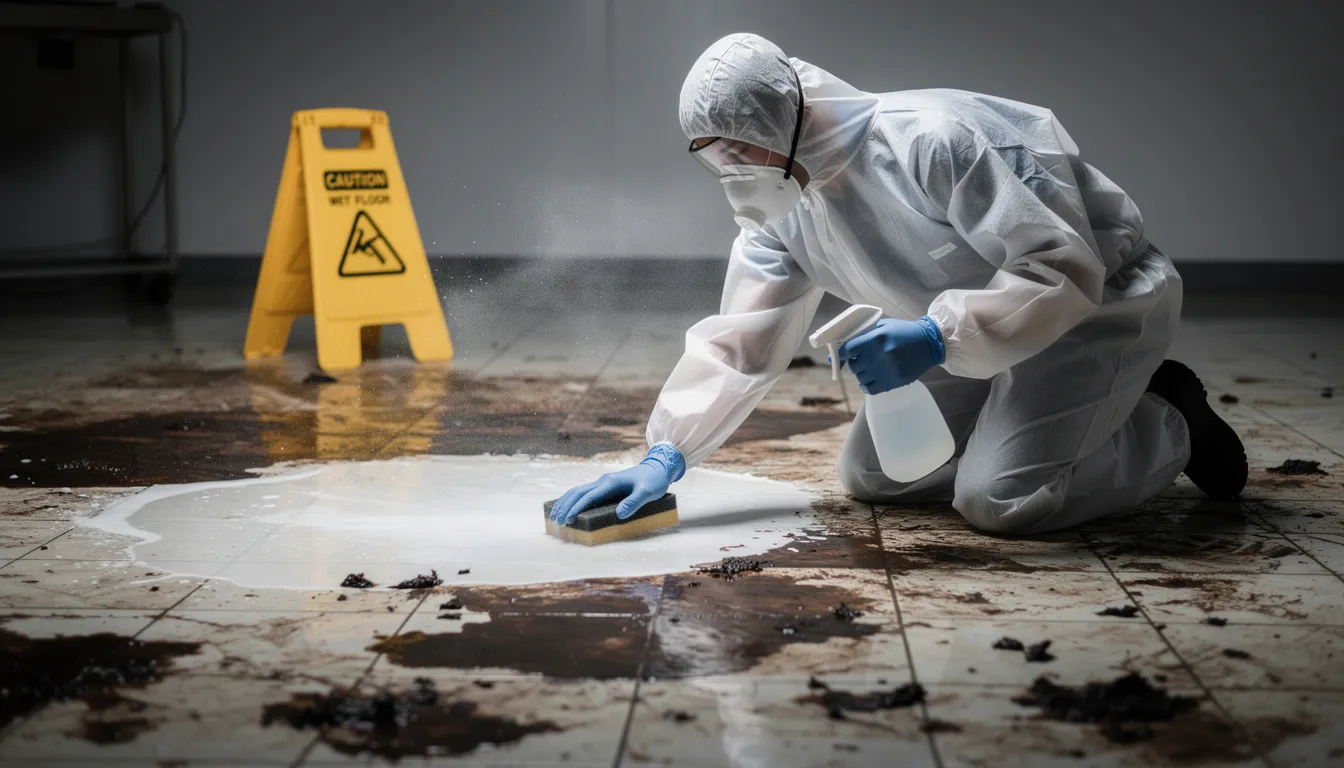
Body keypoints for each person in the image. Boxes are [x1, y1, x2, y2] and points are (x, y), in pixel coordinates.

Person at [548, 33, 1247, 535]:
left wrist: (938, 334)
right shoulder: (781, 207)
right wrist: (667, 455)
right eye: (713, 156)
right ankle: (1034, 418)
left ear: (778, 118)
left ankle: (1170, 419)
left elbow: (1061, 268)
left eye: (737, 147)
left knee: (1001, 501)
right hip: (954, 341)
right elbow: (741, 345)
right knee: (875, 478)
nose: (729, 170)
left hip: (1089, 313)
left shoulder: (938, 140)